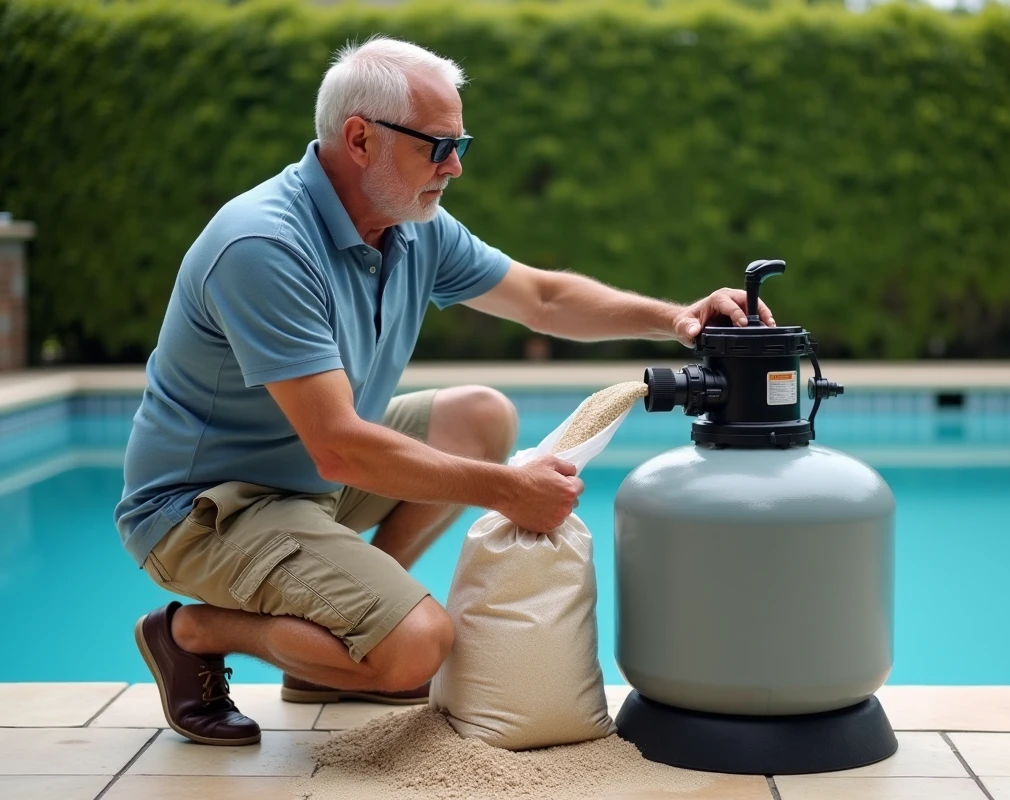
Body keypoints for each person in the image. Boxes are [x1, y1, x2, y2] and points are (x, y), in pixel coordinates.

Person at [115, 36, 774, 747]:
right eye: (437, 145)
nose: (454, 165)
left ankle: (335, 640)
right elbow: (338, 447)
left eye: (460, 143)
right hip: (207, 508)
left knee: (481, 415)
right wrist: (507, 491)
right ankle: (191, 633)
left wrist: (673, 317)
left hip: (308, 478)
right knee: (415, 649)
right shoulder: (264, 247)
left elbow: (545, 300)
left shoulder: (409, 226)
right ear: (359, 139)